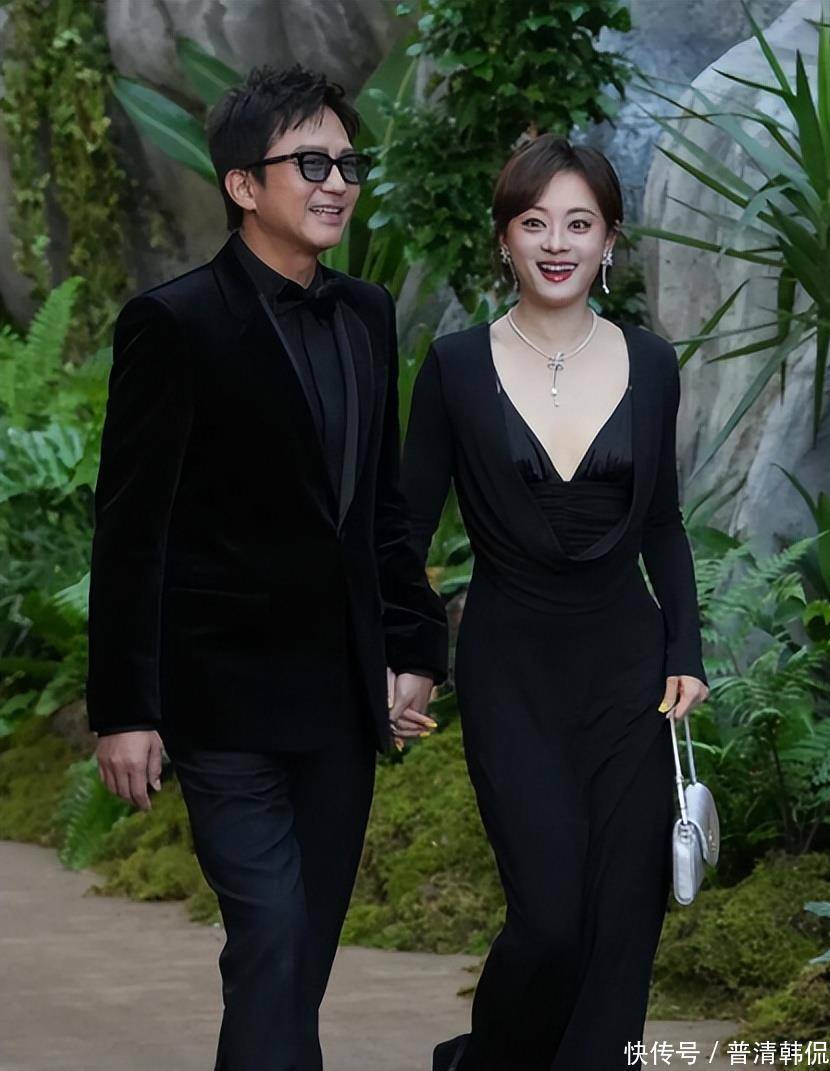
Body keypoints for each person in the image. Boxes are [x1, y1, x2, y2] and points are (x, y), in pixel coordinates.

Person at [86, 64, 446, 1071]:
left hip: (340, 703)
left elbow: (380, 509)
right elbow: (131, 531)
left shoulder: (366, 313)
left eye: (349, 165)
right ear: (243, 184)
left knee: (298, 960)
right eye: (311, 164)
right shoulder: (172, 323)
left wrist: (415, 649)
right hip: (223, 704)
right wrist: (125, 709)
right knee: (273, 937)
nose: (337, 184)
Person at [399, 134, 710, 1071]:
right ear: (506, 238)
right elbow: (404, 533)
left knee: (623, 920)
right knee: (547, 921)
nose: (557, 243)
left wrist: (686, 652)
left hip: (630, 676)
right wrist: (408, 657)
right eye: (535, 223)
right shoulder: (455, 366)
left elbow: (664, 523)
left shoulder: (652, 363)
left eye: (580, 223)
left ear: (610, 239)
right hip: (511, 675)